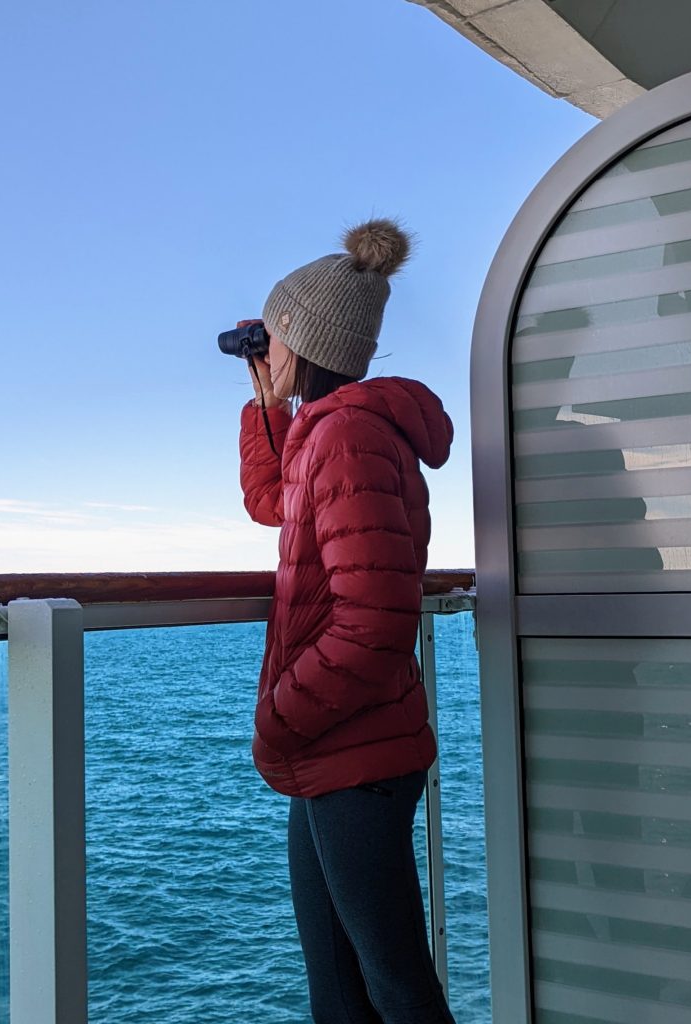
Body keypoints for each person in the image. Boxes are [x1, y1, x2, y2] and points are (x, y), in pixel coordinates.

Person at [237, 218, 456, 1024]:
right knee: (342, 989)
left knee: (394, 991)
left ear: (296, 339)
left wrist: (278, 718)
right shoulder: (330, 435)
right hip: (341, 744)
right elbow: (272, 504)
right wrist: (265, 410)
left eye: (271, 332)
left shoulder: (349, 437)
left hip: (350, 748)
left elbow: (374, 623)